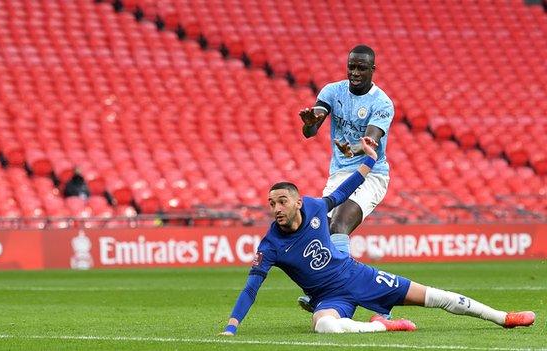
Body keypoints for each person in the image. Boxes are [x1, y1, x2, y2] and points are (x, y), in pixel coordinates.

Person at [219, 137, 534, 336]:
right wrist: (231, 328)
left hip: (358, 276)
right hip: (330, 298)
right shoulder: (270, 245)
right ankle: (377, 326)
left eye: (282, 201)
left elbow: (341, 193)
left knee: (435, 297)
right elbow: (251, 288)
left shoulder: (315, 207)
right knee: (325, 326)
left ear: (298, 202)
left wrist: (369, 163)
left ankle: (503, 317)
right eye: (272, 203)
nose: (276, 208)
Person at [297, 44, 393, 312]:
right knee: (318, 232)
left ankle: (338, 291)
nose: (355, 72)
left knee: (339, 225)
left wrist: (356, 148)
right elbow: (312, 127)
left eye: (362, 68)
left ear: (373, 70)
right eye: (351, 66)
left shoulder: (382, 103)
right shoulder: (332, 91)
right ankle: (323, 292)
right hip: (339, 174)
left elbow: (372, 139)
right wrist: (309, 122)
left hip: (370, 173)